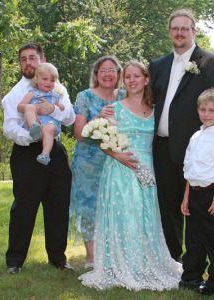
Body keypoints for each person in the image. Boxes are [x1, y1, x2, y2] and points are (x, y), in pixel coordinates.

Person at [79, 61, 182, 291]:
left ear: (146, 80)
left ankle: (146, 261)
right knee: (125, 215)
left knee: (145, 217)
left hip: (148, 171)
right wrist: (120, 157)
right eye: (128, 77)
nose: (132, 80)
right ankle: (124, 264)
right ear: (123, 81)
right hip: (120, 170)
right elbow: (101, 142)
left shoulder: (156, 109)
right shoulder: (114, 109)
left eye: (137, 76)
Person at [148, 8, 214, 265]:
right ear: (169, 33)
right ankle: (174, 261)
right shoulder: (157, 65)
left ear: (194, 32)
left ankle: (202, 265)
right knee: (168, 208)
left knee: (198, 212)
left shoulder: (212, 63)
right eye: (175, 28)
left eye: (184, 28)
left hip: (197, 151)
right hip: (162, 148)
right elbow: (147, 100)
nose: (179, 32)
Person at [2, 43, 76, 274]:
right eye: (23, 59)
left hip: (54, 150)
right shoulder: (15, 94)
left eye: (32, 58)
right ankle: (15, 262)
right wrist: (33, 136)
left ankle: (58, 258)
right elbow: (9, 127)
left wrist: (50, 110)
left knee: (58, 204)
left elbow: (70, 117)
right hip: (27, 152)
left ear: (42, 59)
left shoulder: (56, 86)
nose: (28, 63)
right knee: (24, 206)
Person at [68, 56, 126, 270]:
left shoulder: (126, 96)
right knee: (90, 206)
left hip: (117, 160)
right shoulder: (85, 97)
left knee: (115, 204)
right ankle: (91, 256)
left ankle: (114, 252)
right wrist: (99, 117)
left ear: (119, 74)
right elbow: (79, 135)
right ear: (96, 74)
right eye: (103, 70)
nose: (108, 74)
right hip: (88, 162)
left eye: (112, 70)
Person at [180, 88, 214, 296]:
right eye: (203, 109)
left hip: (213, 194)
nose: (206, 114)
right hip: (194, 194)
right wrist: (186, 197)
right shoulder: (195, 136)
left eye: (212, 110)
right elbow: (189, 169)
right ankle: (192, 275)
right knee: (194, 238)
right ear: (197, 110)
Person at [17, 63, 65, 165]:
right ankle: (33, 129)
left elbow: (60, 110)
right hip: (35, 120)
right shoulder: (32, 93)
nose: (48, 82)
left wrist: (59, 106)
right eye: (45, 79)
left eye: (52, 80)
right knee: (29, 107)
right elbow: (20, 107)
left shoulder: (55, 96)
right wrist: (33, 107)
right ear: (36, 79)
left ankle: (45, 154)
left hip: (48, 123)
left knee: (51, 128)